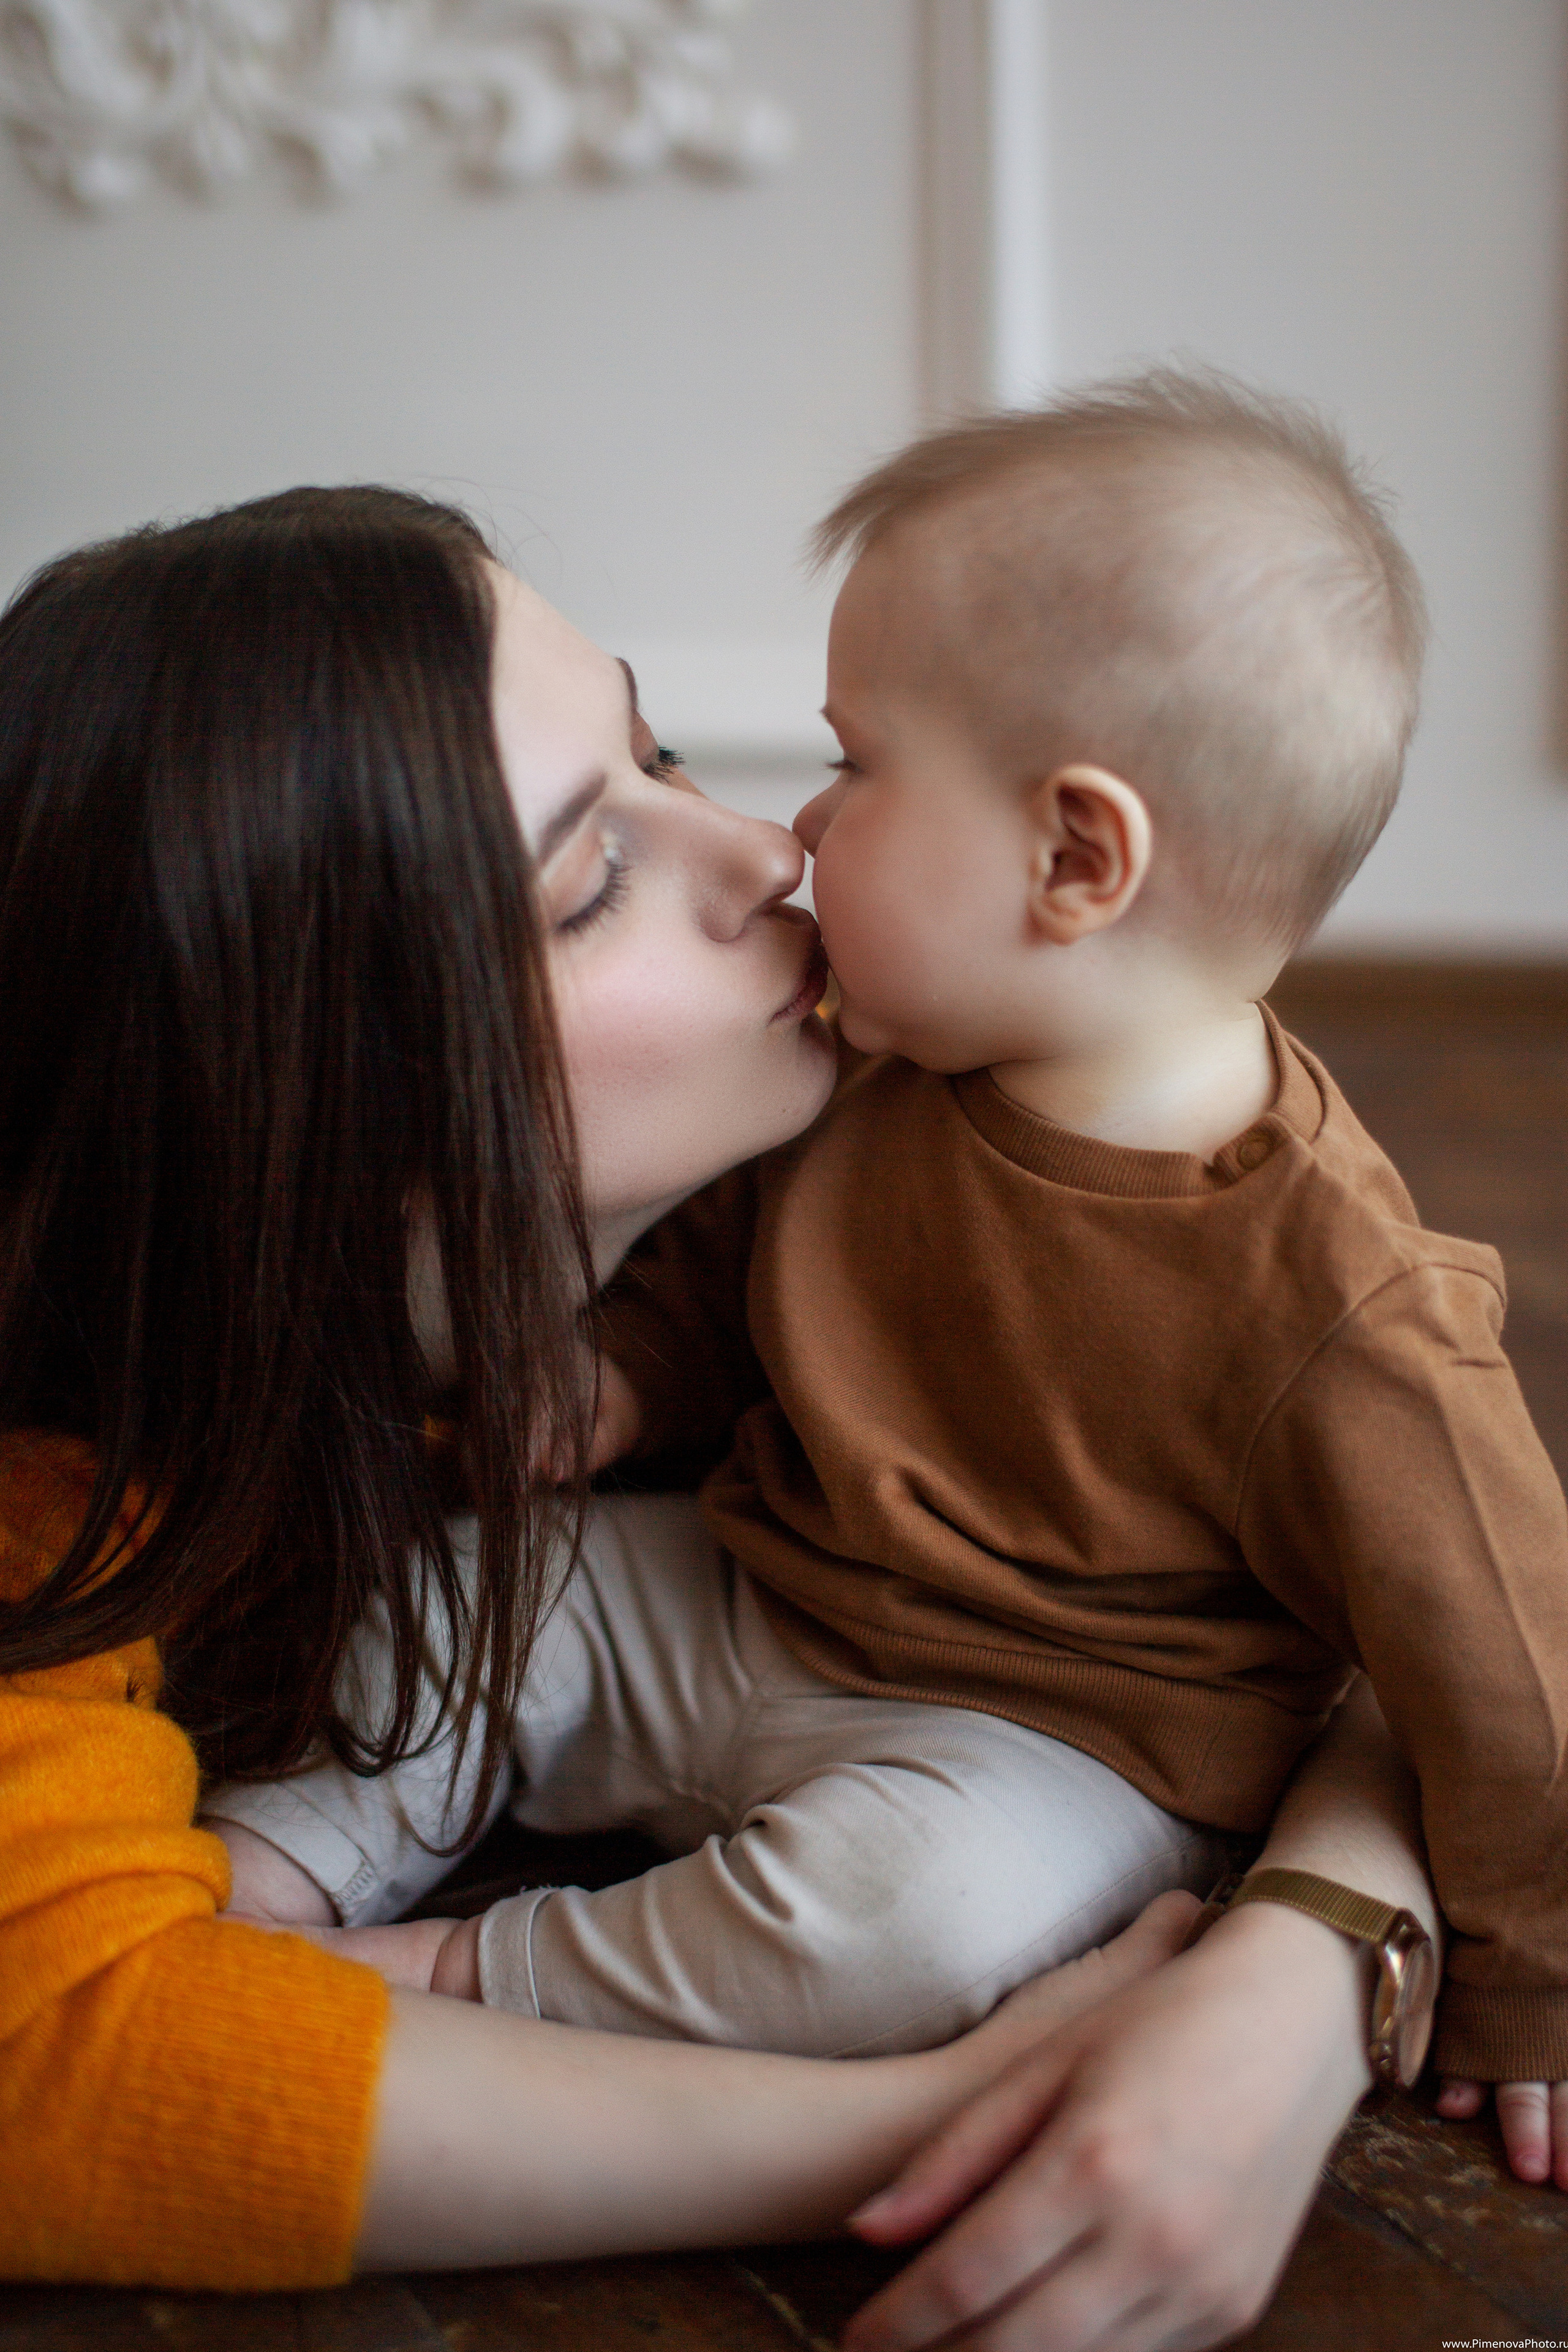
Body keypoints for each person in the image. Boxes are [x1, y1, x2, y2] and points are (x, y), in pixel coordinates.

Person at [0, 481, 1440, 2348]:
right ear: (288, 1098)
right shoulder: (62, 1497)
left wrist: (1299, 1982)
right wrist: (924, 2125)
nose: (770, 851)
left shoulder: (912, 1183)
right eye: (593, 879)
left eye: (659, 746)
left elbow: (1399, 1579)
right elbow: (50, 2052)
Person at [225, 378, 1568, 2204]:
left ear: (1075, 860)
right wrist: (615, 1383)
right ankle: (265, 1876)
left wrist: (1530, 1985)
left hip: (1050, 1738)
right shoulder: (881, 1063)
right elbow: (725, 1265)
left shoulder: (1341, 1297)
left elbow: (1503, 1664)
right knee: (452, 1597)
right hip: (750, 1584)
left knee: (916, 1932)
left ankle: (457, 1972)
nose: (799, 828)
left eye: (855, 765)